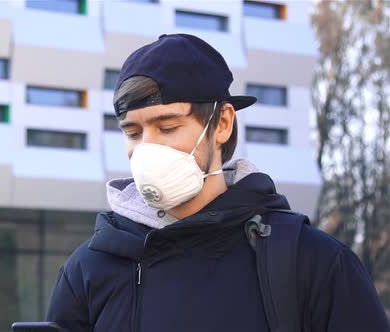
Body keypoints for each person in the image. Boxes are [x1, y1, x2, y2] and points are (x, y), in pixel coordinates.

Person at [46, 33, 389, 332]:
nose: (147, 149)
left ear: (222, 123)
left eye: (167, 127)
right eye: (133, 132)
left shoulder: (312, 263)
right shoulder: (88, 270)